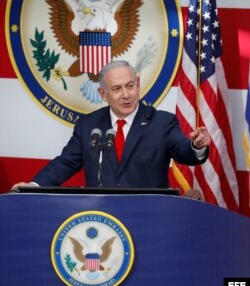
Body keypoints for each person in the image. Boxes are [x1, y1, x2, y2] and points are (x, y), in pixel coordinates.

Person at [11, 60, 210, 195]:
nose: (126, 94)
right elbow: (65, 163)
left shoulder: (162, 122)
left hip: (149, 216)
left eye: (130, 86)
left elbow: (185, 152)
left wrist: (196, 145)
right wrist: (34, 186)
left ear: (138, 84)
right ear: (103, 94)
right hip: (101, 220)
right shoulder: (88, 125)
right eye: (116, 89)